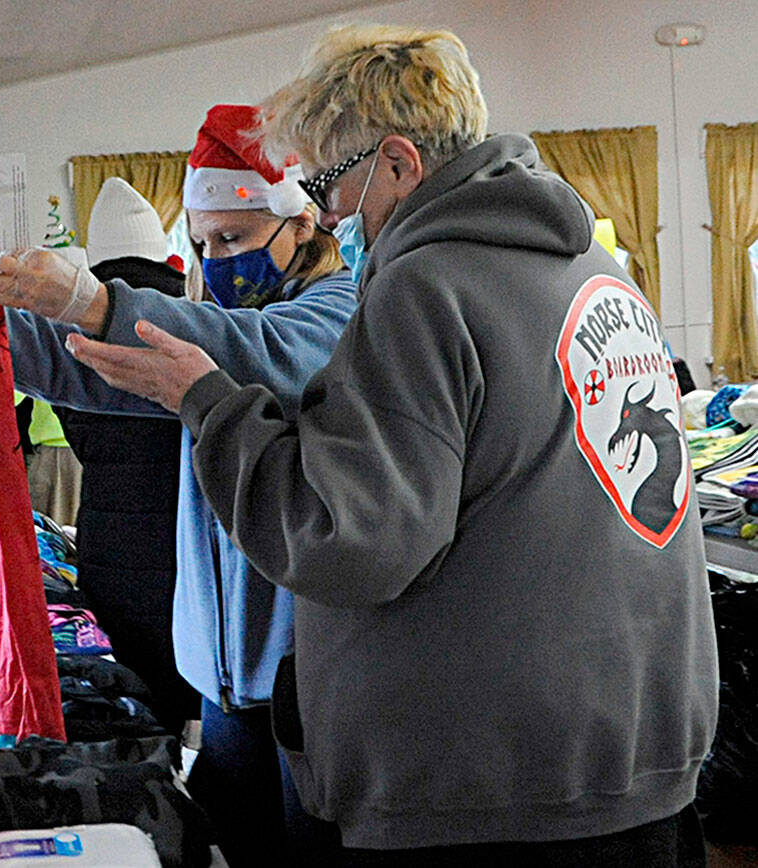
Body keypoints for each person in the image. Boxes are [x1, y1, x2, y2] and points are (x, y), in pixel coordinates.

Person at [63, 25, 719, 866]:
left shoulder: (426, 287)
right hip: (636, 751)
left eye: (332, 184)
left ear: (402, 163)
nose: (330, 215)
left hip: (492, 796)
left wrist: (208, 403)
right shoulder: (594, 268)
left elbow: (349, 540)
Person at [0, 105, 356, 865]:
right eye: (204, 243)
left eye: (235, 239)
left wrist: (94, 301)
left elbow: (264, 355)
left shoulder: (338, 311)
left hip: (302, 677)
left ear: (303, 225)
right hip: (222, 677)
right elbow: (103, 372)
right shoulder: (219, 316)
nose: (216, 260)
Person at [49, 177, 200, 736]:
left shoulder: (74, 332)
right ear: (168, 255)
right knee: (197, 687)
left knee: (134, 693)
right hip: (187, 540)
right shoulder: (195, 321)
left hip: (108, 535)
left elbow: (72, 421)